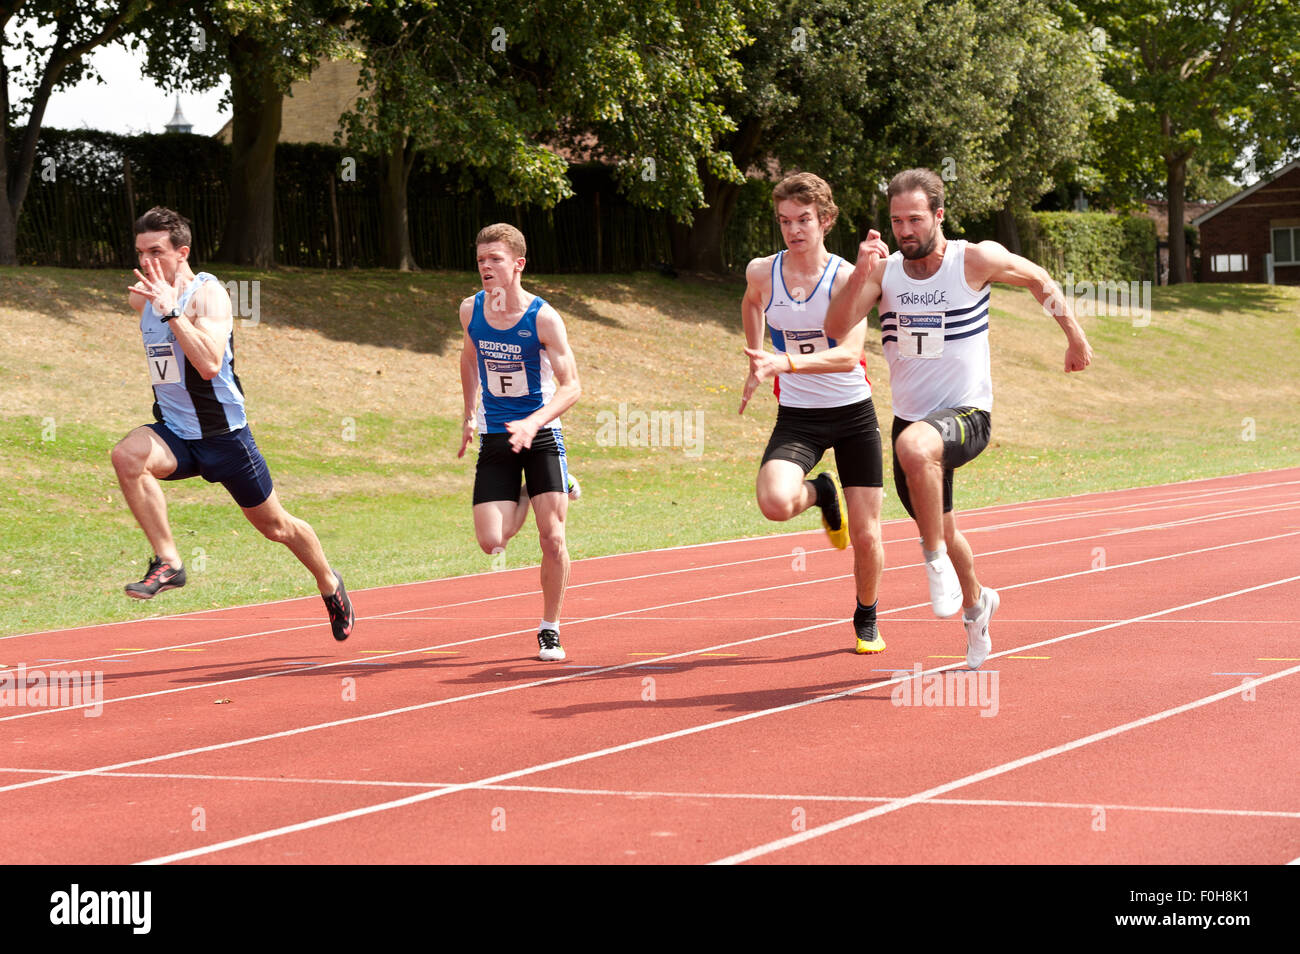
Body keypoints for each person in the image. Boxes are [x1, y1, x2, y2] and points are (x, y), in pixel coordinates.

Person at [824, 168, 1093, 669]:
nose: (905, 230)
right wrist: (861, 271)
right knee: (945, 527)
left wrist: (1074, 336)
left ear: (939, 216)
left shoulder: (974, 260)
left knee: (915, 452)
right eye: (896, 220)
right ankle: (977, 604)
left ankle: (932, 563)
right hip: (911, 421)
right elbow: (835, 327)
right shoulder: (885, 275)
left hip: (968, 415)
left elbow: (1039, 279)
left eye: (915, 219)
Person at [113, 207, 355, 640]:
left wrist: (172, 313)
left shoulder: (209, 296)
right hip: (176, 433)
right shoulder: (142, 296)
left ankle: (329, 582)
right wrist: (157, 304)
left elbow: (207, 365)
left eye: (156, 252)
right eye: (139, 253)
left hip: (225, 438)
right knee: (127, 456)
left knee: (276, 527)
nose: (146, 262)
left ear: (182, 252)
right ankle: (169, 562)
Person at [739, 173, 891, 654]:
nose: (793, 230)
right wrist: (754, 354)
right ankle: (822, 490)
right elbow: (750, 302)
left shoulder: (848, 277)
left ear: (825, 220)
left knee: (866, 536)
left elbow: (848, 354)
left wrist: (781, 361)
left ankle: (866, 615)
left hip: (852, 416)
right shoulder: (763, 272)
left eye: (803, 220)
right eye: (784, 221)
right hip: (799, 416)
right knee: (774, 503)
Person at [457, 223, 582, 662]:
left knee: (553, 538)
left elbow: (571, 388)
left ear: (518, 264)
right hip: (496, 435)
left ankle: (550, 627)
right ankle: (532, 489)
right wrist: (469, 414)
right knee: (493, 542)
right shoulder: (470, 311)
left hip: (542, 435)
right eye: (480, 260)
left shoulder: (543, 318)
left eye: (495, 259)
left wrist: (532, 423)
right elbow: (470, 357)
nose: (486, 268)